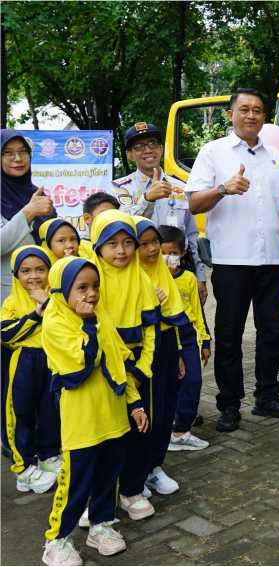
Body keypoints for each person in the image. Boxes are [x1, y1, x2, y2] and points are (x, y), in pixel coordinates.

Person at [186, 88, 279, 431]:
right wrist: (223, 188)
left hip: (271, 260)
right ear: (231, 114)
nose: (251, 115)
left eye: (258, 110)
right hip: (231, 261)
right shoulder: (213, 152)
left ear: (264, 117)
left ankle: (267, 397)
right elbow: (193, 203)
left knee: (272, 332)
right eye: (245, 109)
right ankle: (230, 404)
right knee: (229, 335)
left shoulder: (276, 158)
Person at [41, 256, 147, 566]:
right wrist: (89, 325)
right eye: (82, 287)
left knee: (108, 476)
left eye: (95, 286)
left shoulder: (101, 317)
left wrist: (135, 403)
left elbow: (119, 363)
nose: (91, 294)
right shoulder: (55, 323)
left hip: (112, 416)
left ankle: (101, 525)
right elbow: (81, 366)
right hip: (82, 422)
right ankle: (56, 540)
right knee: (75, 483)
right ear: (61, 290)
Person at [89, 209, 158, 521]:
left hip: (138, 368)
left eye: (128, 243)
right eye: (112, 243)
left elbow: (151, 330)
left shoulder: (141, 278)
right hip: (100, 368)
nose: (121, 251)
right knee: (101, 435)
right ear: (98, 245)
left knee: (138, 430)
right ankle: (97, 498)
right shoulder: (90, 280)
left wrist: (143, 368)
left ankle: (132, 489)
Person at [134, 217, 201, 494]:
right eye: (144, 244)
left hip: (167, 346)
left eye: (155, 242)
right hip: (140, 351)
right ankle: (135, 474)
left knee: (163, 410)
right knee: (144, 413)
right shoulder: (128, 276)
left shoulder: (164, 274)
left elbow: (175, 317)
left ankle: (154, 467)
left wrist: (179, 355)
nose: (152, 249)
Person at [2, 129, 55, 457]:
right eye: (8, 153)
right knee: (11, 381)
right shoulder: (29, 204)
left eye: (23, 152)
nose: (17, 158)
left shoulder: (37, 194)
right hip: (8, 302)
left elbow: (53, 242)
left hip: (43, 301)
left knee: (41, 379)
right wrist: (27, 214)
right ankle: (13, 446)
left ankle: (43, 443)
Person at [111, 123, 207, 303]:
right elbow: (122, 228)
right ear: (129, 154)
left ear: (161, 149)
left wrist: (200, 276)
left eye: (152, 143)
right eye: (139, 146)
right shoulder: (119, 189)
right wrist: (147, 198)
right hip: (139, 273)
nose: (148, 150)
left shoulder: (180, 186)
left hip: (177, 270)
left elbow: (191, 235)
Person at [1, 245, 59, 493]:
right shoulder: (12, 302)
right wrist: (36, 315)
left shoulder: (56, 298)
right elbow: (6, 334)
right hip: (24, 362)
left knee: (50, 410)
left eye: (40, 269)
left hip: (51, 359)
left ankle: (48, 456)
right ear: (16, 274)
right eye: (25, 271)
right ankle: (23, 468)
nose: (33, 276)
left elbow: (64, 324)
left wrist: (48, 304)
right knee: (20, 413)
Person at [159, 225, 211, 451]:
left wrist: (205, 340)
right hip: (167, 335)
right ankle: (167, 428)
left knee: (193, 381)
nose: (167, 258)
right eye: (162, 253)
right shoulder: (151, 278)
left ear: (182, 253)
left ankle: (181, 430)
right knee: (170, 383)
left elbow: (197, 311)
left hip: (188, 336)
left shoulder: (189, 278)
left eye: (172, 253)